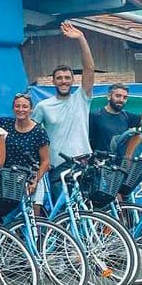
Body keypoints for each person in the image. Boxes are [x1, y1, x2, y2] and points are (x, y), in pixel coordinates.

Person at [32, 22, 95, 198]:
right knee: (63, 218)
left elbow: (89, 68)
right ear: (53, 82)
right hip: (57, 168)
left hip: (83, 162)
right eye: (59, 78)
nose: (63, 81)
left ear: (73, 80)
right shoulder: (43, 106)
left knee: (87, 214)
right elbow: (32, 134)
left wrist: (81, 38)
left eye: (67, 78)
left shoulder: (81, 98)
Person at [0, 93, 50, 211]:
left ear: (31, 109)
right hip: (9, 177)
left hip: (31, 177)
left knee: (34, 214)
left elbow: (46, 161)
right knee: (8, 216)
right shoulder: (6, 124)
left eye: (25, 107)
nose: (21, 109)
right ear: (13, 108)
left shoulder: (39, 131)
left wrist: (35, 180)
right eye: (17, 106)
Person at [89, 82, 142, 155]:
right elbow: (85, 141)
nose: (121, 100)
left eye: (125, 97)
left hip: (122, 166)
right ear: (109, 96)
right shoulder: (95, 115)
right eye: (118, 96)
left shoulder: (127, 116)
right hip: (100, 166)